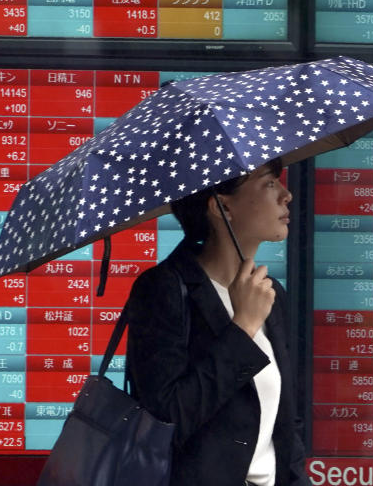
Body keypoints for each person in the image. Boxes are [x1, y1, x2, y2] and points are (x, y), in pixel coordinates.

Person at [124, 158, 309, 486]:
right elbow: (168, 419)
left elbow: (286, 425)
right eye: (269, 183)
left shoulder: (270, 294)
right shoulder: (163, 289)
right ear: (222, 206)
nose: (286, 195)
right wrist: (242, 328)